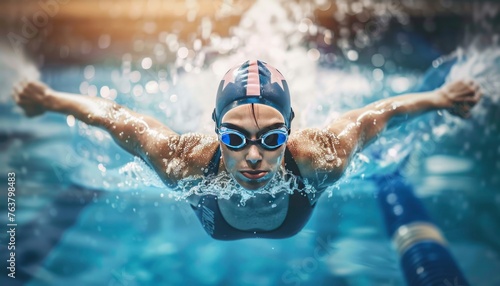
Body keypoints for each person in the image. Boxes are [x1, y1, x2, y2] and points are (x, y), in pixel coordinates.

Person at [12, 60, 482, 240]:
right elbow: (115, 118)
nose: (254, 156)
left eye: (272, 138)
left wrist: (439, 99)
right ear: (215, 131)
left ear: (291, 130)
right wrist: (51, 100)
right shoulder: (185, 162)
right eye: (235, 139)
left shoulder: (321, 158)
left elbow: (379, 114)